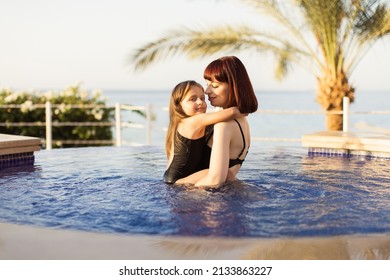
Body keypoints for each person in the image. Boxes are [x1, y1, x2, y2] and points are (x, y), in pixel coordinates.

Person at [178, 56, 258, 188]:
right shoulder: (241, 120)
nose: (207, 91)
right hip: (228, 195)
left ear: (234, 87)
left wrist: (183, 195)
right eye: (207, 84)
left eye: (214, 85)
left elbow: (215, 180)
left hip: (208, 198)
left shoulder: (224, 126)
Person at [163, 80, 244, 184]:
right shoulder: (189, 122)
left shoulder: (194, 122)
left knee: (223, 173)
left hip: (177, 178)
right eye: (193, 99)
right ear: (179, 105)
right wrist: (247, 106)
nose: (200, 102)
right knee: (220, 173)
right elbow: (232, 112)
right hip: (176, 180)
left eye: (202, 98)